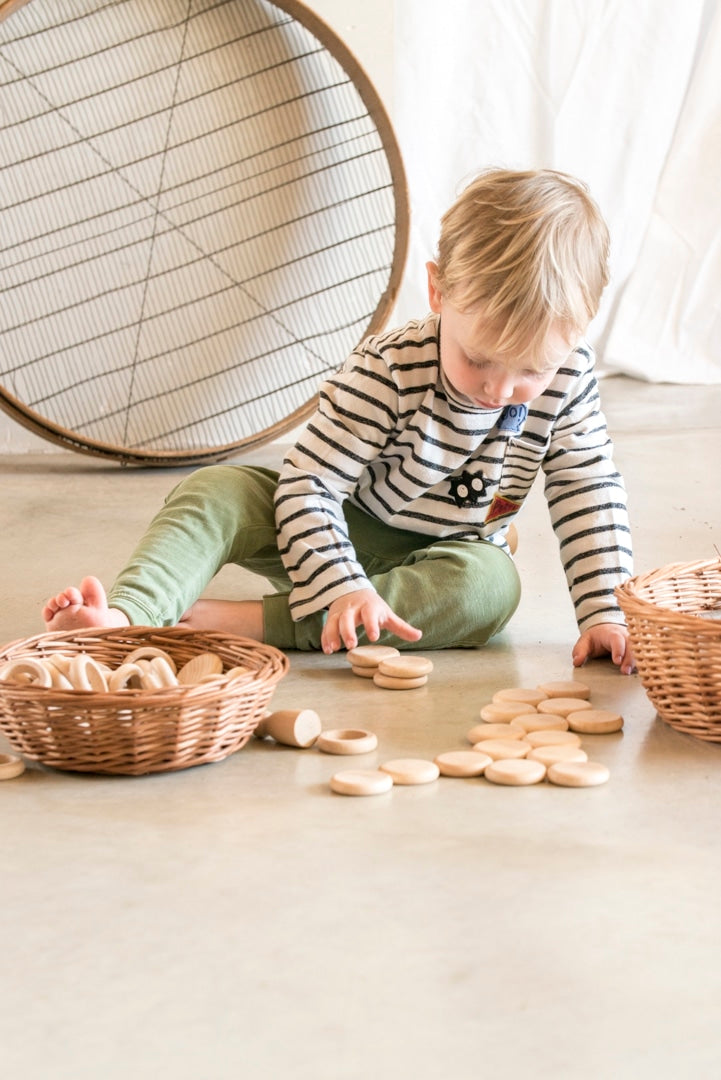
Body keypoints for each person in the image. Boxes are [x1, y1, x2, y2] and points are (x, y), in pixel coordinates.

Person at [42, 168, 635, 673]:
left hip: (445, 552)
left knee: (491, 589)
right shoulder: (388, 369)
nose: (500, 390)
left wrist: (607, 611)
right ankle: (126, 618)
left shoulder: (570, 377)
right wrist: (342, 583)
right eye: (477, 358)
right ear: (437, 291)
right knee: (216, 491)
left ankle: (247, 623)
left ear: (580, 333)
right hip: (333, 521)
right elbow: (310, 486)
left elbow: (589, 490)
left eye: (530, 371)